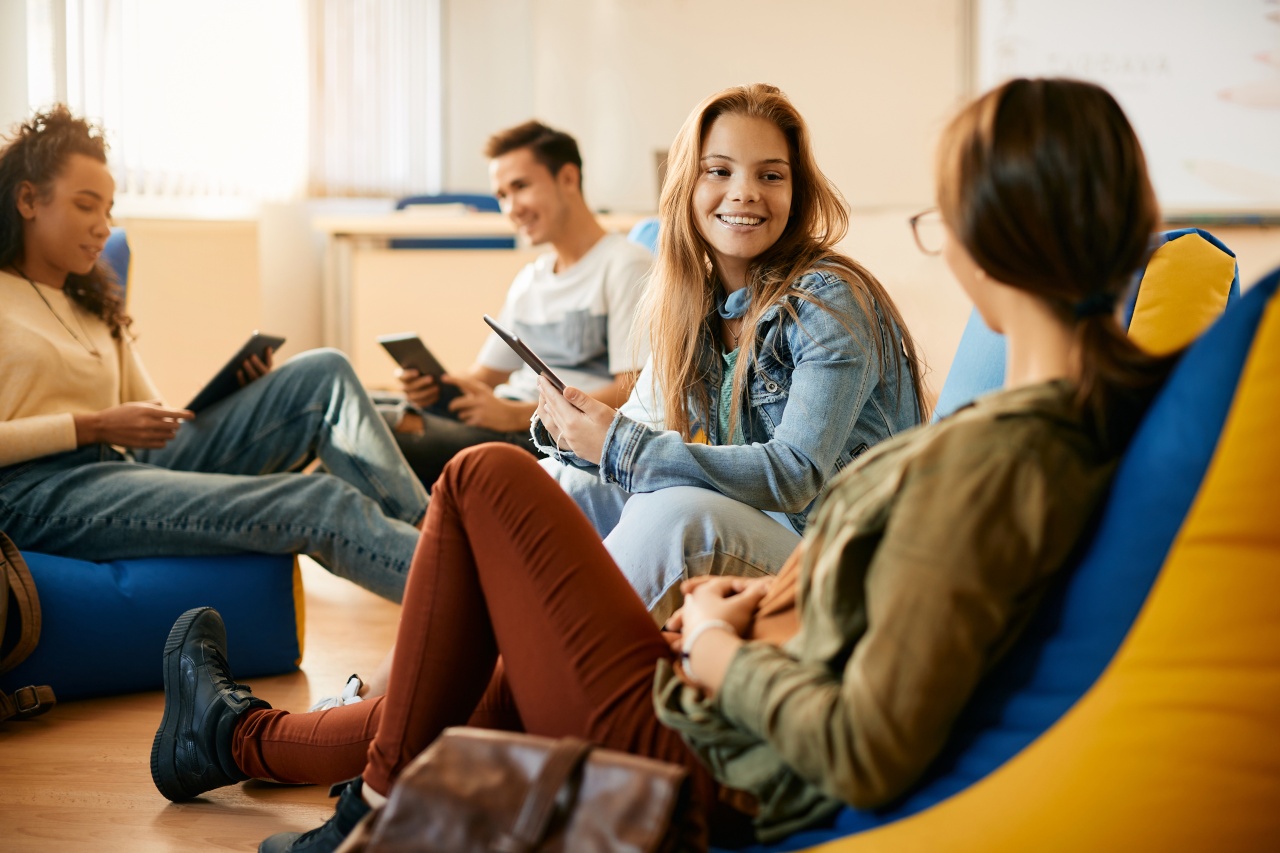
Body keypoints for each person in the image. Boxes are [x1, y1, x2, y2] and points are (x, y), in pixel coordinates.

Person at [150, 77, 1179, 852]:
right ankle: (249, 743)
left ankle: (360, 806)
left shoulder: (992, 458)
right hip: (718, 680)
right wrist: (755, 601)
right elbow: (861, 598)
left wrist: (725, 646)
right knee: (509, 579)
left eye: (938, 222)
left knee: (480, 482)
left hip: (701, 757)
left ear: (983, 244)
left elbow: (866, 741)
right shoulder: (1038, 433)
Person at [533, 83, 925, 626]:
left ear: (796, 192)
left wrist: (620, 446)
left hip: (840, 570)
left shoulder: (827, 300)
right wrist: (578, 437)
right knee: (557, 487)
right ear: (686, 186)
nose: (745, 193)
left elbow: (794, 474)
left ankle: (552, 681)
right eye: (719, 171)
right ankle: (426, 688)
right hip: (762, 535)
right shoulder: (696, 306)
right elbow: (640, 435)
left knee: (679, 514)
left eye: (771, 175)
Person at [0, 106, 427, 604]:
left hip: (124, 463)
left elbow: (159, 422)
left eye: (108, 210)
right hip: (35, 494)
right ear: (28, 199)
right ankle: (482, 598)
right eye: (86, 206)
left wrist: (240, 392)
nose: (102, 227)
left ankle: (438, 529)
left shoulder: (90, 305)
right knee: (319, 501)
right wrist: (92, 426)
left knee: (323, 374)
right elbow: (100, 425)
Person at [382, 120, 652, 490]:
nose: (511, 207)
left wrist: (513, 415)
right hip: (505, 417)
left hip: (541, 439)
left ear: (568, 178)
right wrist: (430, 386)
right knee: (370, 408)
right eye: (502, 195)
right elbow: (483, 377)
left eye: (520, 187)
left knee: (375, 432)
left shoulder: (625, 264)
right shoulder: (530, 279)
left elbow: (632, 389)